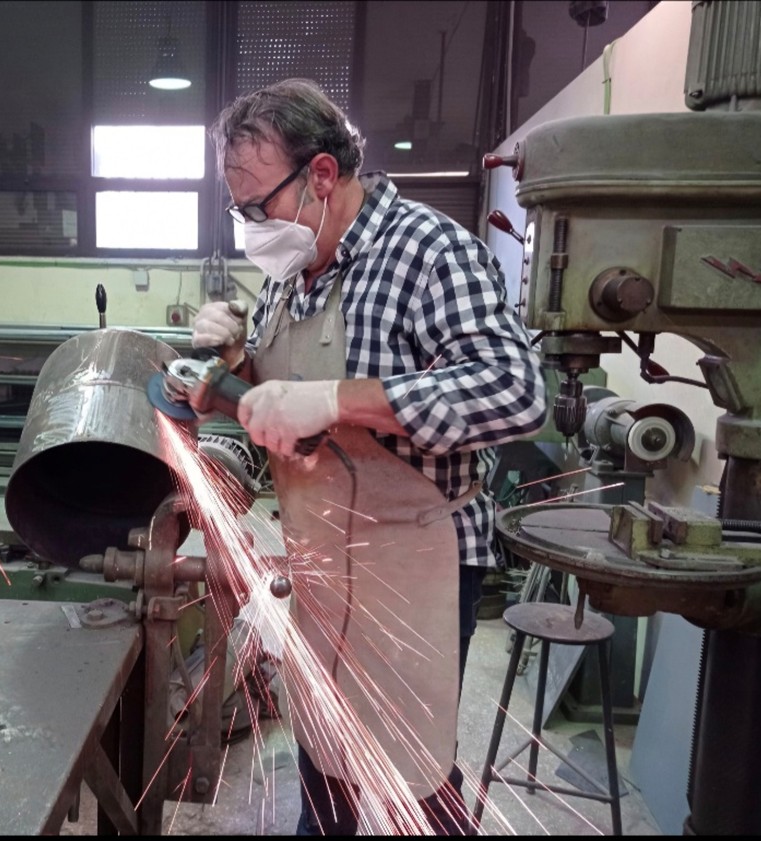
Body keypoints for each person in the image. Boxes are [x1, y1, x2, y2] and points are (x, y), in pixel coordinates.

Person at [194, 78, 547, 835]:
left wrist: (340, 398)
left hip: (411, 559)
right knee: (325, 753)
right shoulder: (290, 275)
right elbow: (284, 410)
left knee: (411, 767)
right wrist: (232, 370)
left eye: (259, 206)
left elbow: (515, 392)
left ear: (321, 174)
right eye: (240, 211)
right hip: (323, 555)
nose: (252, 228)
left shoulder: (428, 251)